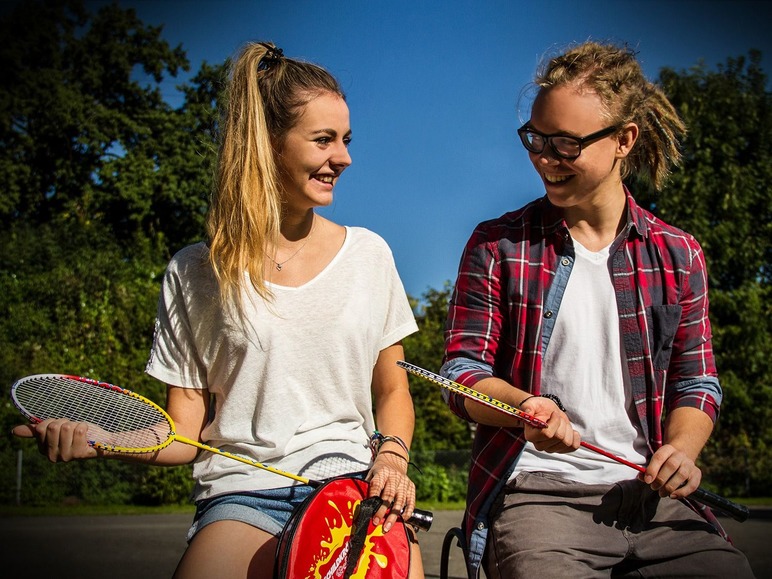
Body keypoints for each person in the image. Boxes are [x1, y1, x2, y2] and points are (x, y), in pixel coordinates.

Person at [13, 41, 425, 579]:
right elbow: (183, 432)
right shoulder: (192, 272)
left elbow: (393, 389)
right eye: (323, 140)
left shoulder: (369, 255)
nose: (343, 157)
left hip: (352, 488)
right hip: (243, 495)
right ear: (267, 145)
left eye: (345, 140)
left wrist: (392, 459)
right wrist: (102, 441)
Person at [441, 41, 754, 578]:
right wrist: (525, 408)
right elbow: (460, 375)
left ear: (623, 140)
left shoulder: (680, 255)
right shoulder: (497, 246)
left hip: (657, 502)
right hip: (540, 498)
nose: (544, 158)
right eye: (535, 138)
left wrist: (681, 449)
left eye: (565, 144)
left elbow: (697, 382)